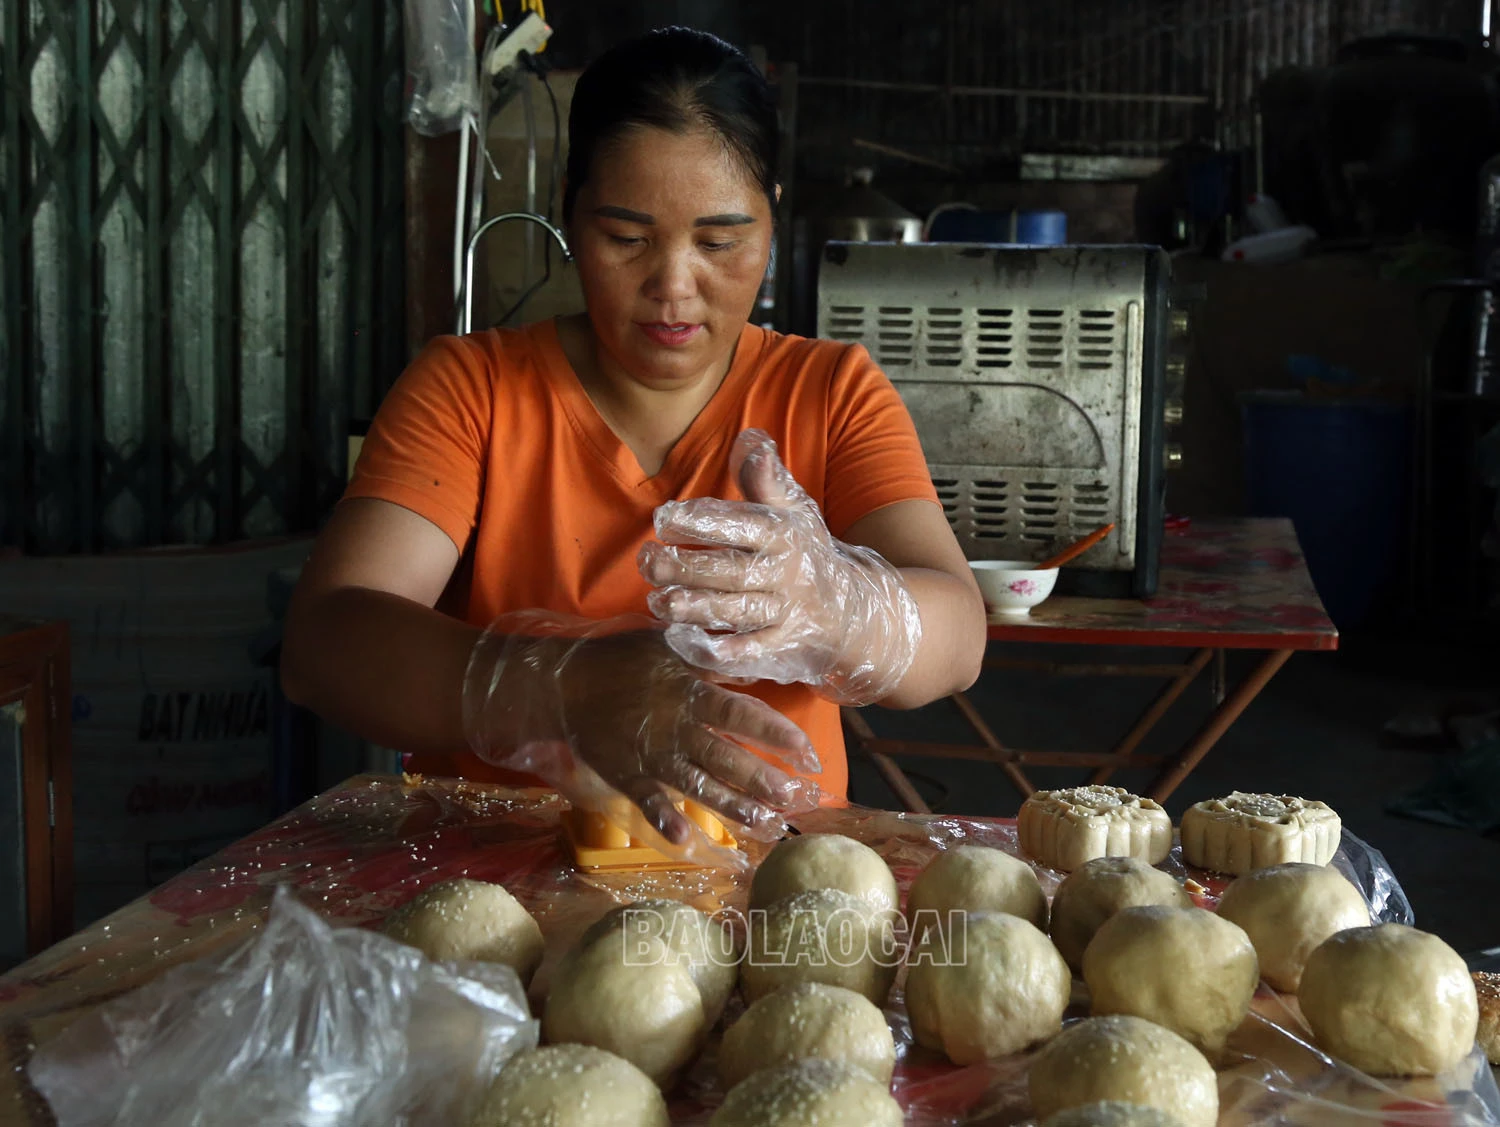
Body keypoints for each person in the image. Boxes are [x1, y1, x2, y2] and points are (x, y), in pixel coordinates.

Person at [281, 27, 985, 847]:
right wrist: (561, 689)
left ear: (772, 216)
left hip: (768, 883)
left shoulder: (830, 394)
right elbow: (324, 644)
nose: (674, 286)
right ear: (569, 211)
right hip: (499, 875)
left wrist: (837, 605)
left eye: (719, 242)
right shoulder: (473, 389)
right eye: (627, 239)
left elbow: (958, 640)